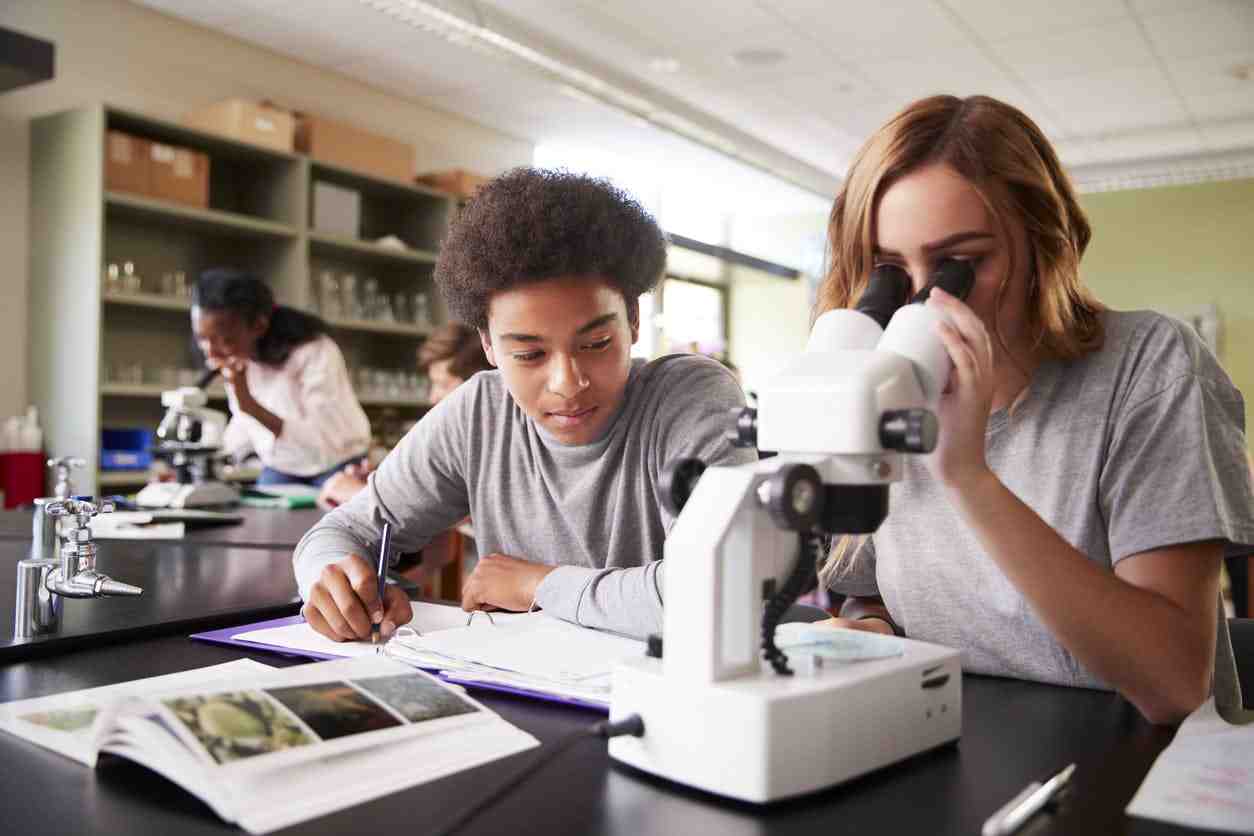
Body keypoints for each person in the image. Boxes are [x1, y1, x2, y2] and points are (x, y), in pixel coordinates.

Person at [817, 94, 1254, 725]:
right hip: (950, 745)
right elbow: (871, 597)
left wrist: (967, 477)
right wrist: (871, 631)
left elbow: (1174, 682)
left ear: (1042, 243)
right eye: (889, 270)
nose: (920, 304)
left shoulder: (1150, 368)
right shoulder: (886, 383)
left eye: (959, 265)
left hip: (1126, 766)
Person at [293, 168, 755, 643]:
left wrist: (539, 583)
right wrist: (332, 581)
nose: (568, 383)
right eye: (530, 354)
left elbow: (719, 592)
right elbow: (341, 532)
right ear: (489, 347)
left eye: (596, 343)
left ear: (633, 320)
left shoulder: (691, 396)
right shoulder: (480, 412)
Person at [191, 269, 370, 487]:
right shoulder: (239, 357)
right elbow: (244, 425)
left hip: (336, 462)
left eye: (224, 340)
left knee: (329, 519)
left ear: (259, 326)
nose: (210, 353)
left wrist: (249, 405)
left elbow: (322, 439)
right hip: (283, 466)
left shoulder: (314, 351)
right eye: (202, 339)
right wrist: (201, 465)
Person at [316, 322, 493, 509]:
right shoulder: (455, 440)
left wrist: (357, 492)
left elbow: (444, 512)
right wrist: (381, 483)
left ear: (477, 385)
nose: (432, 397)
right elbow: (426, 491)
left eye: (442, 384)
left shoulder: (489, 443)